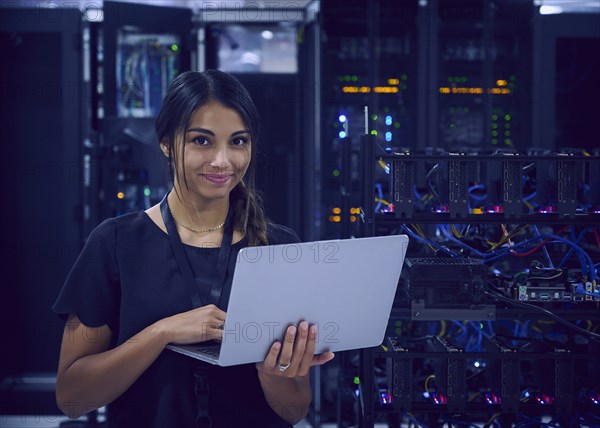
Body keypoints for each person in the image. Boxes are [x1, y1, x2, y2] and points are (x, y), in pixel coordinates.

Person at [52, 69, 335, 427]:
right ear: (167, 142)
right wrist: (162, 333)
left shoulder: (279, 248)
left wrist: (273, 373)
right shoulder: (115, 243)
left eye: (238, 141)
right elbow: (72, 399)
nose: (223, 161)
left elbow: (295, 410)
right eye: (202, 141)